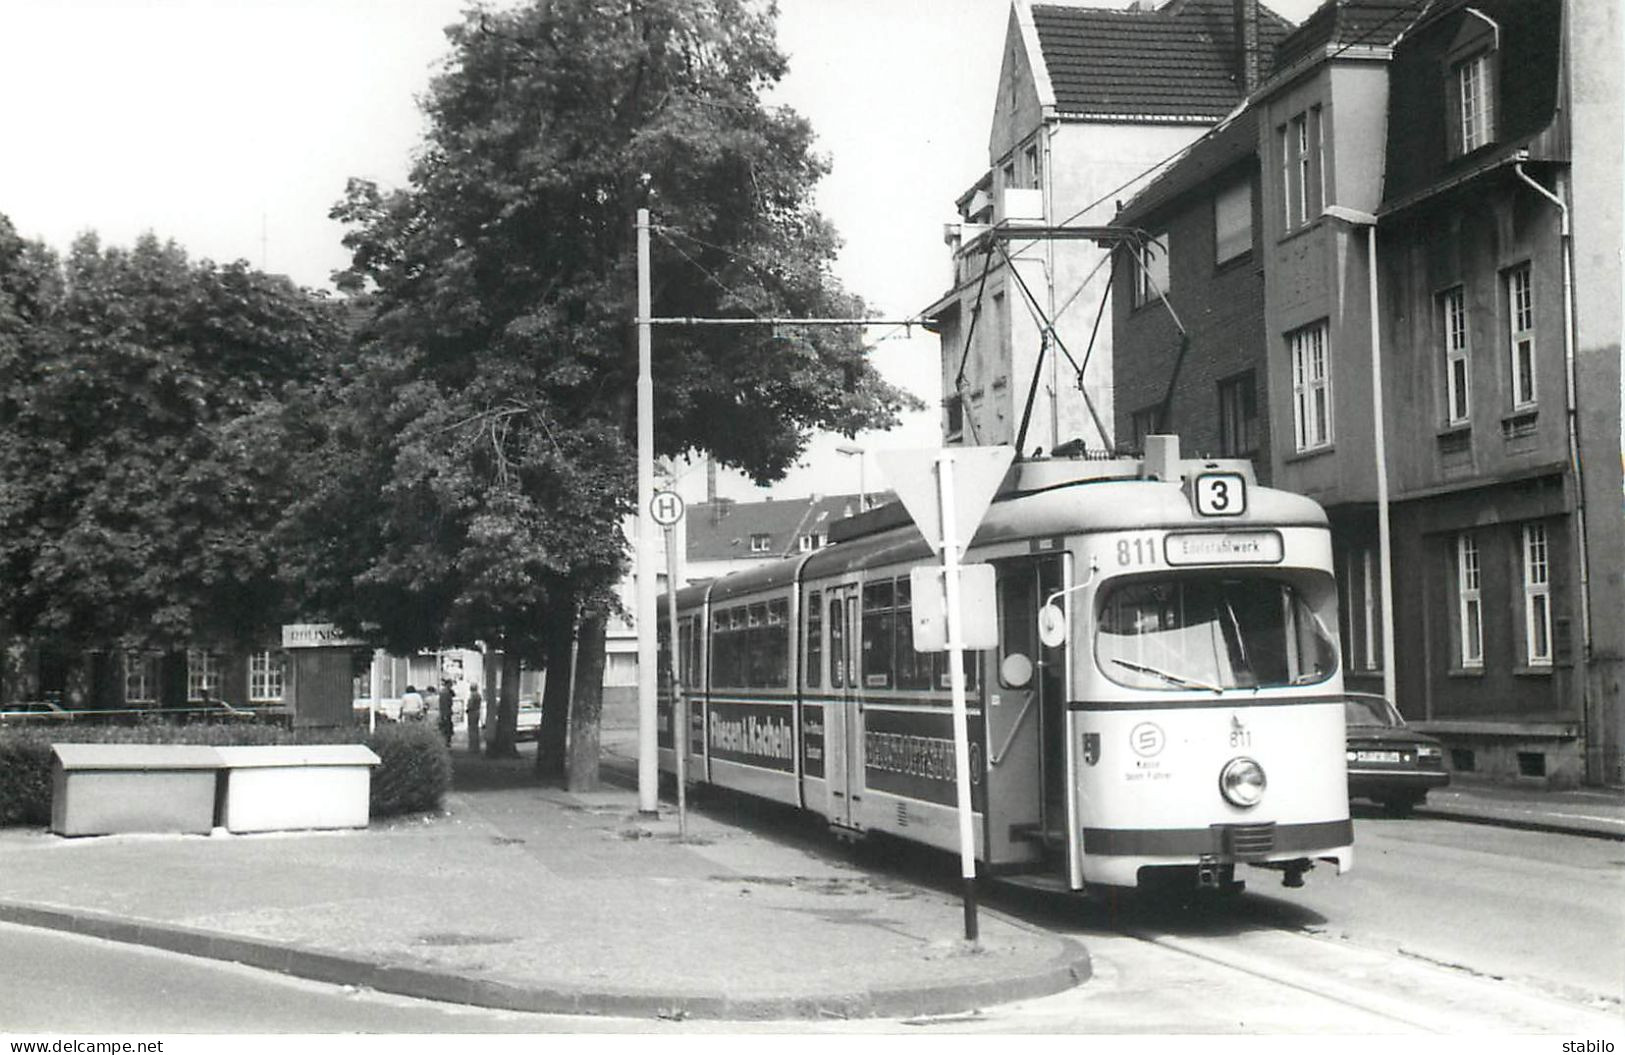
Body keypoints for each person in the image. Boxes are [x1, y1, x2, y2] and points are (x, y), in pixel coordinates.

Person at [466, 682, 483, 752]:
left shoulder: (472, 695)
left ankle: (472, 747)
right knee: (476, 729)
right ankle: (476, 746)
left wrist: (468, 709)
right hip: (477, 711)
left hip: (472, 712)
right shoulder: (479, 695)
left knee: (472, 729)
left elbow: (471, 704)